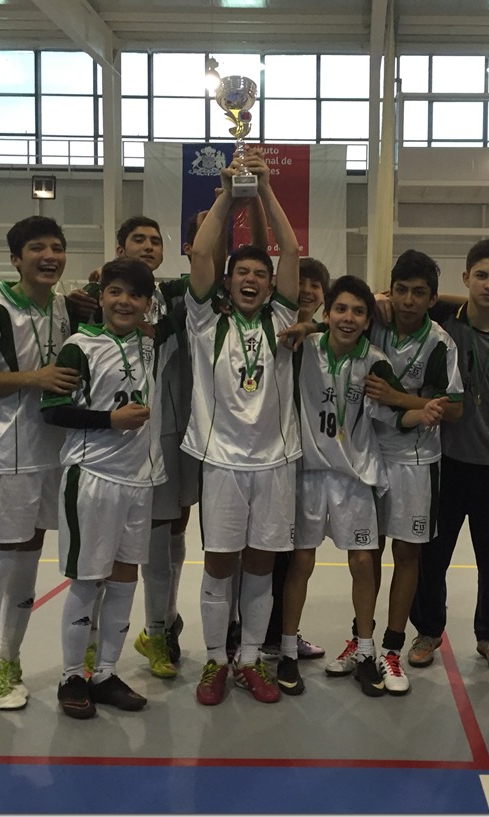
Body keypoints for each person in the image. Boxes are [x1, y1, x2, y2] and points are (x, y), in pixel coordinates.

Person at [275, 275, 446, 698]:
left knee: (363, 564)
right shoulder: (303, 351)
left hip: (356, 476)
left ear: (369, 320)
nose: (348, 318)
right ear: (327, 313)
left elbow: (390, 413)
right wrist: (305, 326)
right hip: (309, 474)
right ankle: (286, 651)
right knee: (300, 563)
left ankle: (367, 651)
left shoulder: (375, 362)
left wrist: (418, 415)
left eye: (358, 312)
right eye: (341, 309)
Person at [183, 147, 300, 706]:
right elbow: (203, 251)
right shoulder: (206, 322)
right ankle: (213, 661)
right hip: (223, 462)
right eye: (242, 274)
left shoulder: (282, 319)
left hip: (275, 462)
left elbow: (293, 248)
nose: (251, 279)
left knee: (260, 565)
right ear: (228, 283)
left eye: (260, 274)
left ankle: (251, 659)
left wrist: (267, 187)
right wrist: (231, 189)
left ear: (270, 284)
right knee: (220, 563)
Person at [0, 215, 81, 711]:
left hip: (50, 453)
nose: (49, 255)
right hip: (4, 454)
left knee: (29, 555)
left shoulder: (66, 309)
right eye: (37, 248)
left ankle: (10, 656)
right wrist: (34, 378)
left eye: (57, 246)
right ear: (16, 259)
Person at [42, 257, 178, 720]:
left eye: (135, 295)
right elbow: (53, 410)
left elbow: (195, 290)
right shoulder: (78, 347)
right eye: (115, 292)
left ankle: (104, 672)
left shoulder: (149, 344)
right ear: (100, 296)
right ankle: (70, 677)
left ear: (146, 303)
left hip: (138, 481)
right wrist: (109, 421)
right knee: (87, 580)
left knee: (124, 578)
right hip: (92, 477)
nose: (125, 302)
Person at [334, 250, 464, 695]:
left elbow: (456, 407)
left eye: (419, 293)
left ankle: (391, 647)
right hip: (367, 455)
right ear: (392, 290)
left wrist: (395, 396)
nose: (409, 300)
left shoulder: (441, 343)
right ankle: (362, 640)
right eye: (402, 290)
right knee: (366, 555)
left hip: (415, 463)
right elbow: (336, 325)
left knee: (406, 555)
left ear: (431, 299)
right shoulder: (375, 323)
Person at [408, 239, 489, 675]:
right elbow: (410, 300)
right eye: (481, 275)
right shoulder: (443, 319)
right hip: (446, 461)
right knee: (433, 555)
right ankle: (427, 631)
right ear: (465, 279)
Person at [262, 257, 331, 664]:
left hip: (307, 461)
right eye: (301, 282)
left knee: (291, 554)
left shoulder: (326, 338)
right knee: (262, 553)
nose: (307, 290)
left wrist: (314, 326)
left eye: (316, 286)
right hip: (269, 453)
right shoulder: (271, 325)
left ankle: (280, 634)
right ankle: (248, 634)